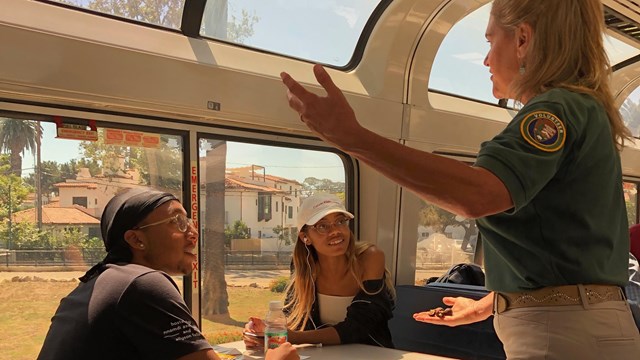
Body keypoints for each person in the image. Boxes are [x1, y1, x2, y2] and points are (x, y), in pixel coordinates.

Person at [279, 0, 640, 358]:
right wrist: (494, 303)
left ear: (523, 40)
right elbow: (563, 247)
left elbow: (479, 194)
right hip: (571, 327)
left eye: (489, 41)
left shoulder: (555, 111)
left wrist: (353, 138)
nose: (485, 60)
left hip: (562, 334)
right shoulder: (578, 107)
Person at [38, 188, 298, 360]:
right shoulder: (142, 283)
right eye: (179, 222)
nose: (193, 233)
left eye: (191, 222)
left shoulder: (104, 280)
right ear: (137, 240)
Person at [243, 193, 395, 348]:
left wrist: (291, 337)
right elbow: (294, 317)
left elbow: (359, 326)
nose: (335, 231)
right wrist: (263, 331)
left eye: (340, 221)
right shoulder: (303, 266)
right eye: (322, 226)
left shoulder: (370, 257)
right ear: (305, 237)